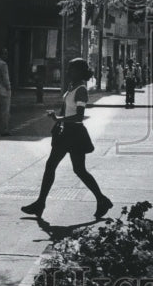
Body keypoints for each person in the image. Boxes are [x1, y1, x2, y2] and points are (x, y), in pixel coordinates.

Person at [21, 58, 112, 220]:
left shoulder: (82, 89)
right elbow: (66, 110)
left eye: (71, 69)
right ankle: (40, 203)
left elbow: (79, 116)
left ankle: (102, 199)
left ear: (79, 71)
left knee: (77, 170)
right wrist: (58, 120)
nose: (68, 72)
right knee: (55, 166)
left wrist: (58, 119)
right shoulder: (72, 87)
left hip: (75, 134)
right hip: (66, 133)